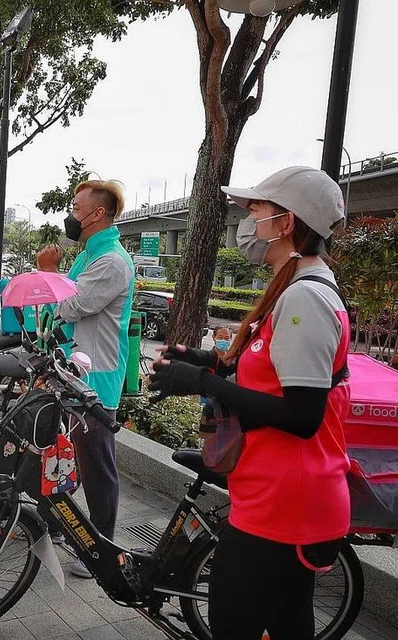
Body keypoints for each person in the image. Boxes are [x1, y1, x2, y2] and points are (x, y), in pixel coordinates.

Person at [149, 167, 350, 639]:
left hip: (286, 505)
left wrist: (202, 381)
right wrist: (209, 362)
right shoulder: (294, 285)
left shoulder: (305, 299)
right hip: (280, 498)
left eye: (255, 210)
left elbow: (302, 417)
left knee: (236, 624)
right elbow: (274, 379)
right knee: (286, 624)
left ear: (286, 223)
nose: (247, 221)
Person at [35, 179, 134, 578]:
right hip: (74, 369)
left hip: (98, 377)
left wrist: (47, 273)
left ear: (97, 214)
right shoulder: (91, 254)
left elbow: (72, 305)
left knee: (96, 463)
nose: (70, 215)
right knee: (64, 453)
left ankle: (102, 547)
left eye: (76, 209)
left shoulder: (110, 260)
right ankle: (59, 525)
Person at [200, 326, 233, 406]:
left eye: (226, 338)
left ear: (230, 339)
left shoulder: (233, 358)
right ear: (214, 337)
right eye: (220, 337)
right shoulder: (208, 358)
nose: (223, 341)